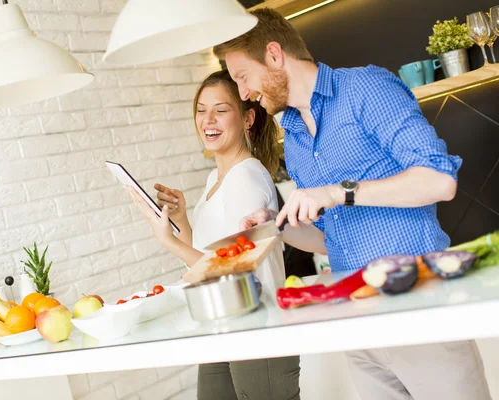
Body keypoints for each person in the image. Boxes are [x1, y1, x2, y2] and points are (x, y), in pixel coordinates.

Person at [212, 8, 492, 400]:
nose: (243, 94)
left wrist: (338, 192)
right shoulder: (292, 138)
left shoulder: (366, 88)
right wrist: (279, 226)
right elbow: (330, 238)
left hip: (418, 310)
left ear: (274, 55)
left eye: (243, 77)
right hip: (357, 320)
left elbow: (439, 180)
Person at [125, 69, 307, 400]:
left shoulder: (247, 177)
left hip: (257, 329)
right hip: (221, 323)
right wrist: (182, 221)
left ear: (248, 118)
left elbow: (235, 271)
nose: (208, 119)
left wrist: (167, 241)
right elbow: (209, 255)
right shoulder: (214, 180)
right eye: (201, 109)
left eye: (221, 110)